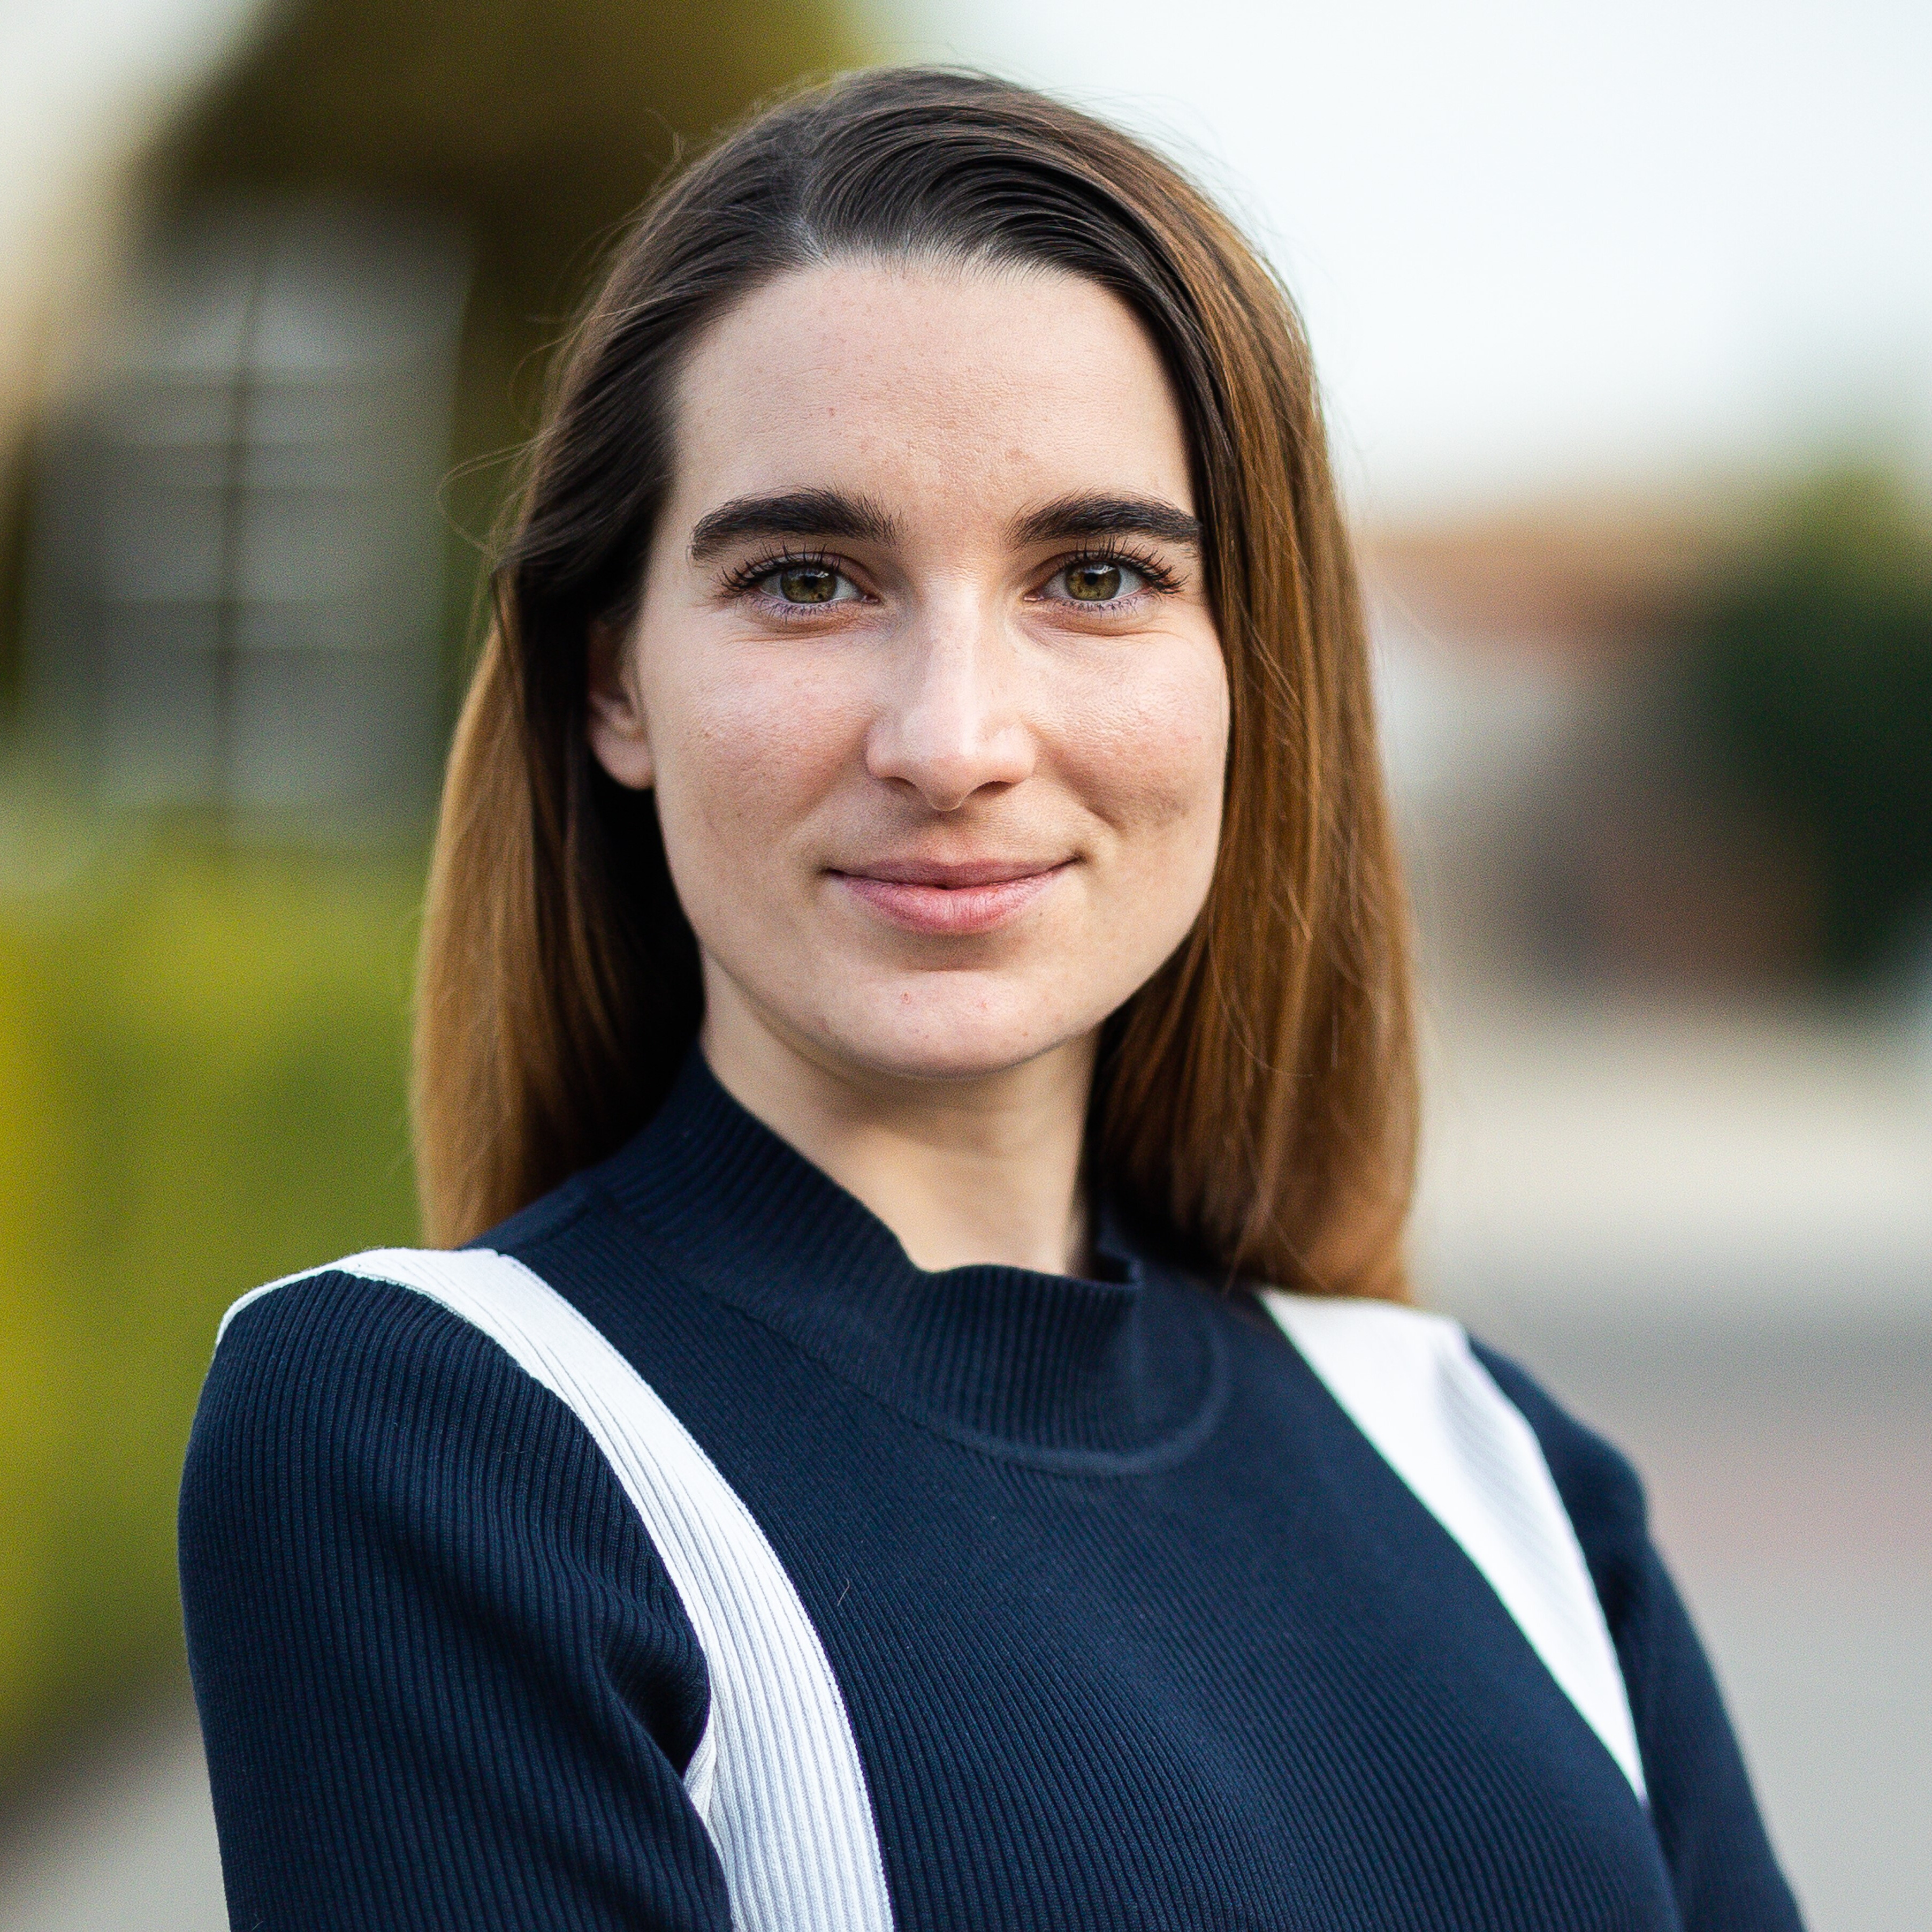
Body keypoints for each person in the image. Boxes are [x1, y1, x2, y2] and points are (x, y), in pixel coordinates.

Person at [178, 67, 1802, 1932]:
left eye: (1095, 574)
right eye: (806, 578)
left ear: (1244, 675)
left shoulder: (1488, 1461)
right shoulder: (455, 1437)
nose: (953, 739)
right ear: (613, 682)